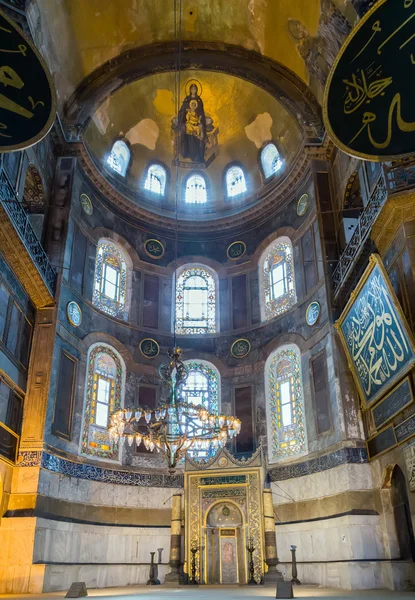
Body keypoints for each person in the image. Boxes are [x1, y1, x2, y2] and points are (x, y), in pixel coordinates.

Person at [178, 83, 206, 163]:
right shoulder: (187, 99)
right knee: (185, 128)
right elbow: (182, 111)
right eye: (192, 89)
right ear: (190, 90)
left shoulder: (199, 100)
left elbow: (201, 112)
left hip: (197, 122)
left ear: (197, 90)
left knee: (199, 130)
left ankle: (198, 155)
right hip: (188, 122)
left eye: (195, 89)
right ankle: (187, 153)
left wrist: (200, 119)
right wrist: (187, 111)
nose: (193, 90)